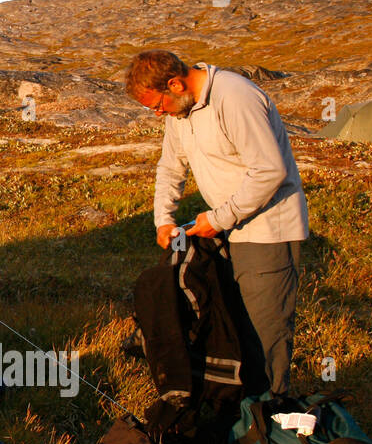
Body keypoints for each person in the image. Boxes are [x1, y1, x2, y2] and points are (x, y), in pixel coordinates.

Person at [125, 50, 308, 396]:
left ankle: (270, 414)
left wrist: (219, 218)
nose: (159, 113)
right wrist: (163, 220)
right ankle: (241, 411)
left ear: (175, 83)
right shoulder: (181, 108)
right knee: (234, 323)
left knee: (264, 331)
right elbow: (170, 166)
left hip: (268, 230)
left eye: (157, 106)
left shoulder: (235, 97)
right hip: (228, 229)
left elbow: (270, 171)